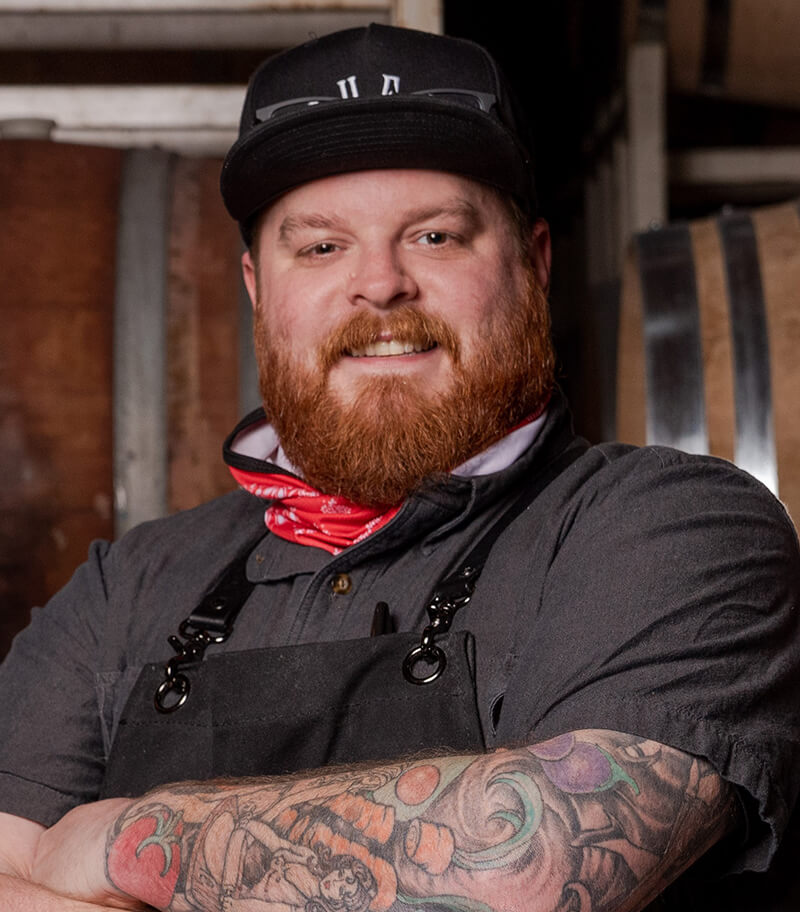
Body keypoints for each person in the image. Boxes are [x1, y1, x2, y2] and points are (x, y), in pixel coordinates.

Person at [0, 22, 798, 912]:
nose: (379, 285)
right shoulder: (128, 587)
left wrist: (120, 843)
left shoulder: (672, 527)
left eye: (434, 238)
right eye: (321, 247)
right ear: (259, 291)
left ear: (533, 266)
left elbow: (522, 872)